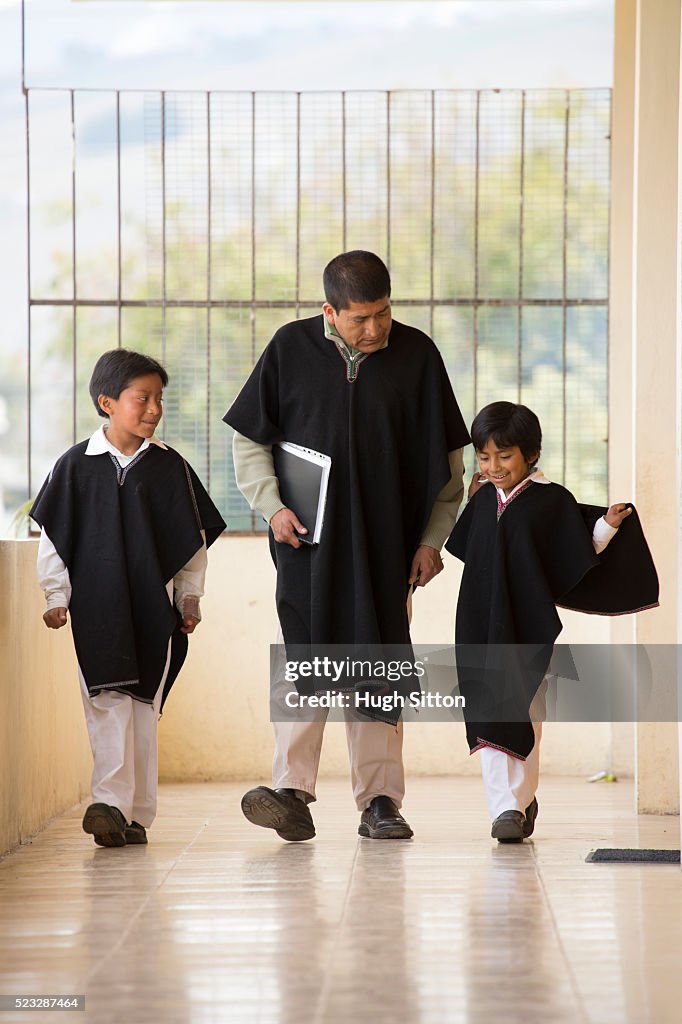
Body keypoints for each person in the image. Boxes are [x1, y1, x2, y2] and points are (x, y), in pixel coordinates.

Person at [224, 250, 470, 841]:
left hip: (388, 553)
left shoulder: (418, 356)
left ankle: (381, 801)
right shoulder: (288, 350)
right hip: (307, 544)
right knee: (305, 658)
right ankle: (291, 793)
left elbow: (449, 470)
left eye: (384, 312)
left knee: (379, 661)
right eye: (360, 317)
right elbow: (251, 444)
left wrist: (433, 542)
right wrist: (273, 507)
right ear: (328, 311)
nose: (376, 328)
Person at [31, 349, 226, 848]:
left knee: (142, 704)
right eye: (142, 399)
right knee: (105, 700)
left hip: (152, 607)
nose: (154, 409)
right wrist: (56, 594)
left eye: (159, 399)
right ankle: (111, 806)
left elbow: (191, 544)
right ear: (107, 402)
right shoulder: (74, 466)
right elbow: (55, 539)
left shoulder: (168, 467)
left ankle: (134, 813)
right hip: (94, 609)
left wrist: (189, 598)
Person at [445, 401, 658, 843]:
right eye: (484, 457)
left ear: (531, 454)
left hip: (527, 625)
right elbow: (469, 546)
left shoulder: (551, 500)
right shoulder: (483, 498)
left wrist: (605, 527)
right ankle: (504, 808)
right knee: (485, 709)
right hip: (477, 623)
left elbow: (572, 551)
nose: (494, 466)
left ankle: (518, 803)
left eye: (504, 456)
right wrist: (473, 497)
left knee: (523, 710)